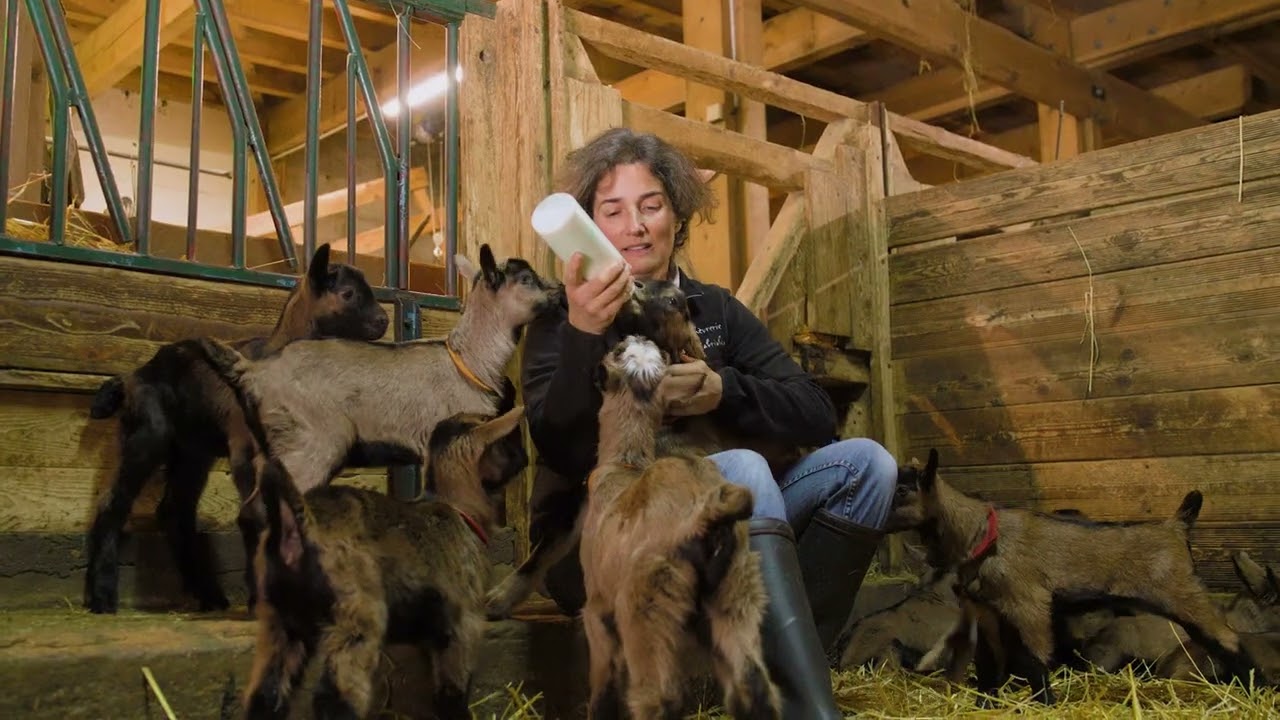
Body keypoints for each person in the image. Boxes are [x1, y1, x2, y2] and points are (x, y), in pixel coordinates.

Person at [521, 127, 897, 718]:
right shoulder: (560, 316)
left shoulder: (715, 308)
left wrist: (725, 391)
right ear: (589, 225)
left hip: (720, 529)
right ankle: (801, 707)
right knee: (742, 469)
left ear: (678, 215)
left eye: (651, 206)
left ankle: (788, 672)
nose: (634, 226)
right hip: (609, 541)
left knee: (871, 466)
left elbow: (816, 414)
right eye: (612, 211)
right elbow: (559, 446)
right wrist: (582, 333)